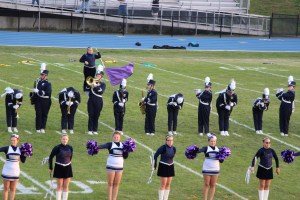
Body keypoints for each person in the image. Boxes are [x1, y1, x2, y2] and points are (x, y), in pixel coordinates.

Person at [97, 131, 129, 200]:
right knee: (110, 183)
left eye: (117, 137)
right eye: (115, 137)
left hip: (120, 167)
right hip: (111, 166)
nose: (116, 138)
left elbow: (125, 156)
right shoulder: (110, 144)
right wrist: (96, 147)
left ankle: (114, 199)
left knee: (117, 184)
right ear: (112, 137)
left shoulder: (123, 145)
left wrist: (127, 150)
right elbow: (103, 146)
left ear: (120, 138)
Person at [196, 133, 222, 200]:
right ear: (209, 141)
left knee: (213, 185)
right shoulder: (206, 148)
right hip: (207, 169)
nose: (213, 142)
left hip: (215, 169)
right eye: (211, 141)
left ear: (216, 141)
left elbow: (221, 161)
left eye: (214, 141)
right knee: (206, 184)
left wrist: (222, 157)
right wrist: (195, 149)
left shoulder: (218, 149)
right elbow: (199, 151)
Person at [0, 134, 26, 200]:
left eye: (14, 140)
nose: (12, 141)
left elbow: (23, 161)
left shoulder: (20, 149)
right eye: (11, 140)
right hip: (7, 171)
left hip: (15, 172)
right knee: (6, 188)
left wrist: (25, 154)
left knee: (13, 189)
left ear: (17, 140)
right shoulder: (7, 148)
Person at [49, 134, 73, 200]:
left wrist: (68, 164)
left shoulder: (70, 147)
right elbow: (50, 157)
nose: (64, 140)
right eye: (63, 139)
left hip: (68, 167)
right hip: (59, 167)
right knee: (59, 186)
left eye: (66, 139)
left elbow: (70, 157)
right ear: (61, 139)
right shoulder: (57, 147)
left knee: (66, 186)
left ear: (68, 140)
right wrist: (50, 167)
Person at [154, 135, 176, 200]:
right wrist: (154, 164)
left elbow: (171, 156)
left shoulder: (174, 148)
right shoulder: (162, 148)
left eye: (171, 140)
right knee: (163, 184)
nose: (170, 142)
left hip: (171, 166)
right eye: (169, 140)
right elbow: (155, 155)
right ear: (166, 141)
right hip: (163, 166)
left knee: (168, 184)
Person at [32, 69, 52, 133]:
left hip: (46, 101)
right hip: (38, 100)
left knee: (44, 114)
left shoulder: (48, 84)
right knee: (38, 114)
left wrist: (39, 91)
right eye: (41, 74)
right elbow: (35, 88)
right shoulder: (38, 81)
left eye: (43, 75)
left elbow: (47, 93)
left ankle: (43, 127)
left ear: (46, 76)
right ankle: (38, 128)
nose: (41, 76)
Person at [87, 69, 106, 135]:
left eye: (99, 75)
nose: (97, 76)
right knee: (91, 114)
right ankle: (90, 129)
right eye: (97, 75)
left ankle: (95, 129)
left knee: (97, 115)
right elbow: (86, 87)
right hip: (91, 100)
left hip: (99, 100)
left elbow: (101, 91)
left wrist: (96, 86)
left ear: (101, 77)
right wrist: (92, 84)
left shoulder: (103, 84)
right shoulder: (92, 81)